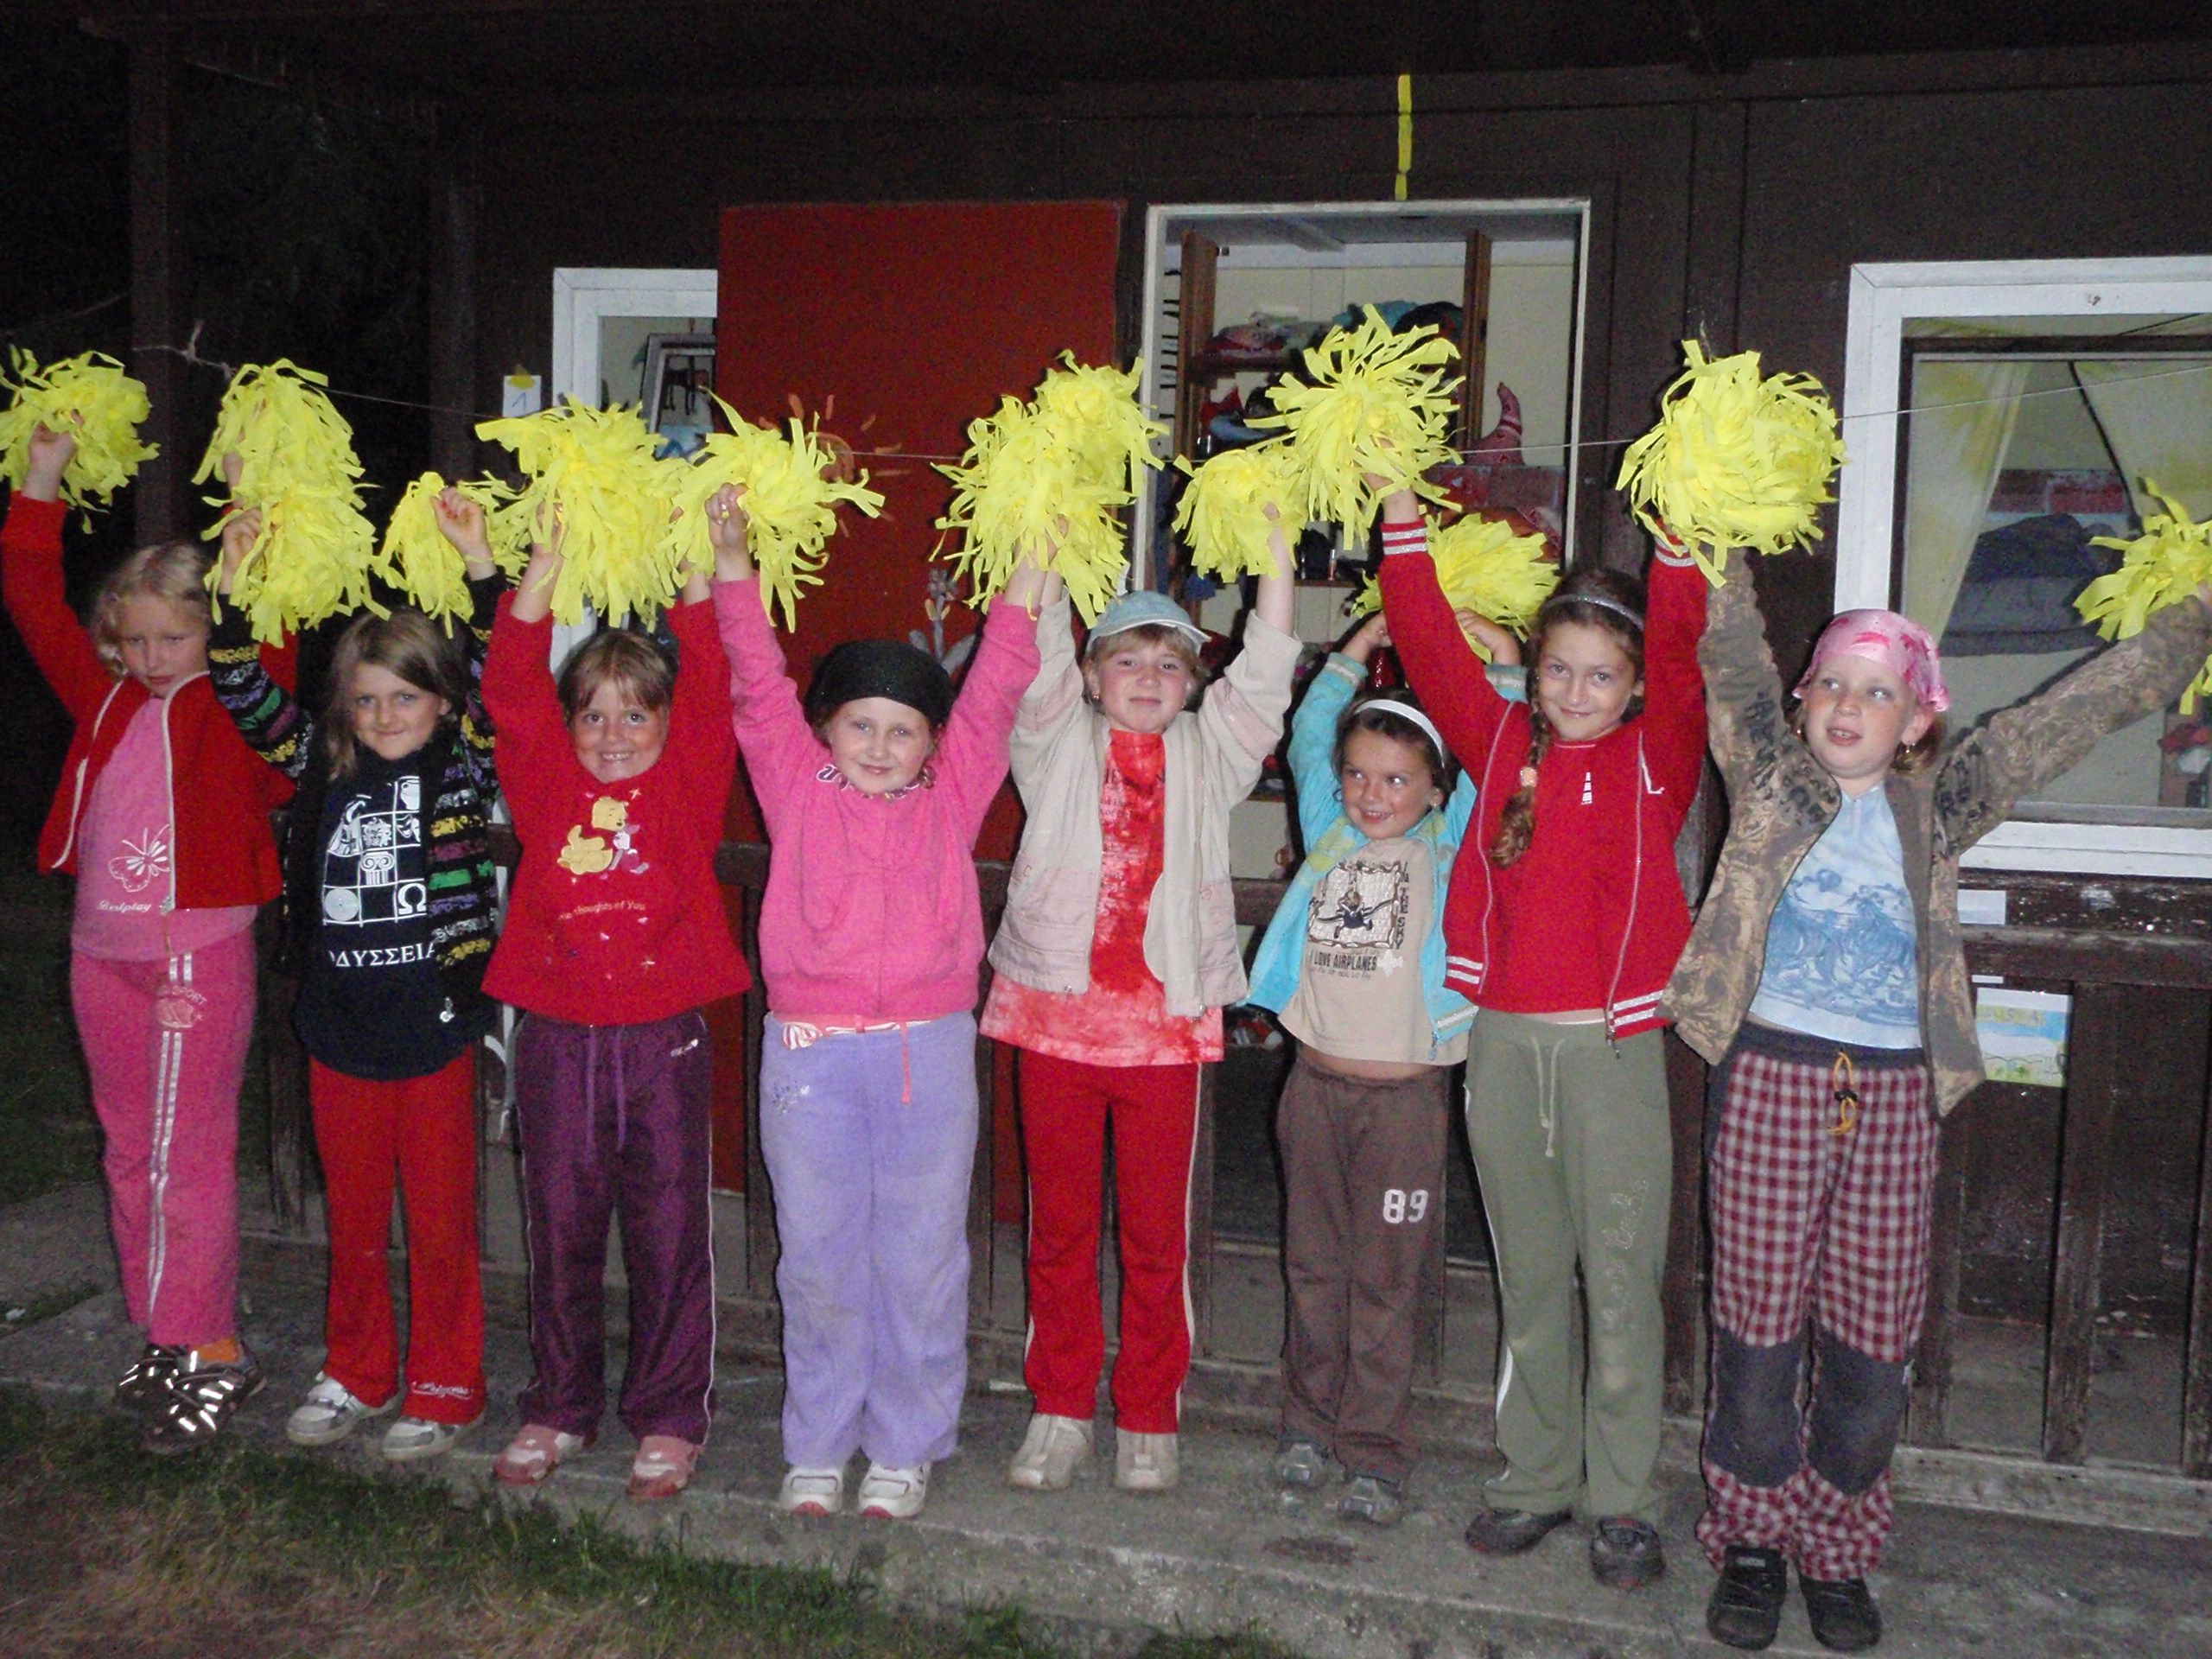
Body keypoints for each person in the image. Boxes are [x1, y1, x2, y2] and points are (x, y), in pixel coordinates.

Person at [1667, 552, 2212, 1653]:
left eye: (1878, 691)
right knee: (1757, 1337)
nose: (1848, 705)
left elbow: (2068, 716)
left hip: (1895, 1095)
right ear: (1800, 701)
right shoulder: (1767, 772)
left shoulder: (1941, 800)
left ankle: (1836, 1548)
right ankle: (1753, 1541)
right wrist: (1710, 537)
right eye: (1831, 683)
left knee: (1871, 1347)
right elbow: (1729, 654)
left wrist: (2192, 621)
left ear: (1917, 718)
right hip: (1770, 1075)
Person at [1379, 490, 1707, 1588]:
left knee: (1619, 1283)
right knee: (1528, 1278)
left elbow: (1680, 647)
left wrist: (1680, 547)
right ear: (1534, 670)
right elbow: (1428, 642)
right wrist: (1398, 513)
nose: (1574, 691)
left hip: (1612, 1056)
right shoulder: (1496, 742)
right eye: (1557, 668)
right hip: (1504, 1053)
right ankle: (1534, 1480)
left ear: (1634, 688)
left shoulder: (1657, 756)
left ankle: (1623, 1502)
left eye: (1600, 676)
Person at [706, 483, 1049, 1521]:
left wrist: (1034, 561)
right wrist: (733, 561)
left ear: (934, 745)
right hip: (810, 1055)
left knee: (920, 1257)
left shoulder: (954, 794)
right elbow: (755, 679)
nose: (881, 745)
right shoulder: (794, 784)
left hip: (926, 1053)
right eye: (861, 723)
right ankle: (818, 1441)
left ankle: (905, 1442)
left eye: (905, 730)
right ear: (825, 729)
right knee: (816, 1258)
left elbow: (995, 685)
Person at [984, 511, 1300, 1497]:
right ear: (1090, 677)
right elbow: (1034, 649)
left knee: (1159, 1238)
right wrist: (1043, 531)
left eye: (1170, 664)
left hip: (1164, 1036)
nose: (1150, 678)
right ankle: (1060, 1407)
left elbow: (1266, 671)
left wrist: (1276, 552)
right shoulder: (1051, 741)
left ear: (1194, 682)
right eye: (1127, 661)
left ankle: (1150, 1413)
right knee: (1060, 1231)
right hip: (1054, 1025)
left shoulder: (1213, 752)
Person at [2, 423, 295, 1451]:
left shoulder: (235, 703)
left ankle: (214, 1347)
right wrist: (42, 479)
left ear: (210, 633)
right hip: (103, 954)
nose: (152, 658)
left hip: (191, 957)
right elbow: (31, 597)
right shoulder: (106, 700)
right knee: (129, 1150)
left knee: (186, 1156)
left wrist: (250, 513)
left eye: (175, 638)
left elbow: (270, 626)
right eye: (133, 641)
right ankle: (165, 1330)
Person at [207, 487, 503, 1462]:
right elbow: (240, 686)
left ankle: (448, 1382)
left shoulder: (460, 765)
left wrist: (481, 569)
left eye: (405, 697)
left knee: (442, 1221)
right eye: (367, 698)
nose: (383, 715)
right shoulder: (320, 762)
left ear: (442, 703)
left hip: (434, 1028)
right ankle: (359, 1370)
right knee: (357, 1218)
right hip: (339, 1030)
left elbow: (501, 678)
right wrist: (234, 585)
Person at [480, 512, 747, 1501]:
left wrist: (696, 570)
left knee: (668, 1235)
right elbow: (510, 689)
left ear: (667, 726)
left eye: (635, 715)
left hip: (661, 1042)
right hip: (556, 1039)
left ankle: (670, 1416)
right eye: (592, 716)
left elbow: (712, 686)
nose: (612, 735)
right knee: (558, 1230)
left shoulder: (688, 782)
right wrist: (544, 567)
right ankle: (559, 1404)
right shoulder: (544, 783)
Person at [1247, 610, 1514, 1526]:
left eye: (1397, 779)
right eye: (1358, 775)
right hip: (1313, 1093)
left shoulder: (1450, 846)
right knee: (1313, 1266)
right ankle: (1305, 1426)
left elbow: (1499, 752)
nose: (1371, 794)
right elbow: (1307, 740)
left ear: (1436, 787)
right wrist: (1354, 650)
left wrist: (1505, 661)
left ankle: (1374, 1452)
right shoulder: (1330, 833)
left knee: (1385, 1281)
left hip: (1404, 1107)